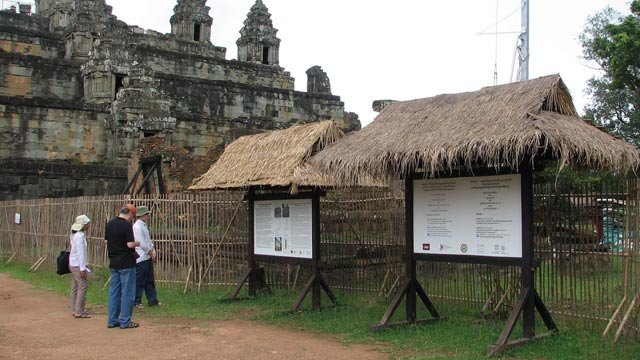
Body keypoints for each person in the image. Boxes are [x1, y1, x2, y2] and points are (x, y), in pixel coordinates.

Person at [105, 204, 140, 329]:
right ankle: (125, 320)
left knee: (114, 292)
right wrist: (137, 243)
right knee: (127, 293)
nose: (132, 218)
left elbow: (106, 241)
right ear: (130, 213)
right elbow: (130, 245)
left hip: (114, 262)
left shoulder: (109, 224)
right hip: (126, 262)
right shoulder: (126, 225)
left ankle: (112, 320)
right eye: (133, 216)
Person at [133, 205, 162, 308]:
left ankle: (152, 299)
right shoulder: (137, 226)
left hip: (147, 255)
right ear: (143, 215)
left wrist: (153, 249)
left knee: (149, 279)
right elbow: (141, 242)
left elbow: (148, 239)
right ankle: (136, 301)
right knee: (140, 280)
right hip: (141, 256)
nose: (148, 216)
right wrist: (149, 251)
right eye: (146, 214)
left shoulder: (144, 225)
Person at [69, 214, 91, 318]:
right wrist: (83, 268)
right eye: (87, 224)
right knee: (83, 286)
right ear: (83, 225)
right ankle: (79, 311)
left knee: (75, 287)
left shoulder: (74, 234)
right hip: (78, 264)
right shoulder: (80, 236)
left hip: (72, 263)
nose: (89, 225)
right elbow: (81, 253)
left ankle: (74, 309)